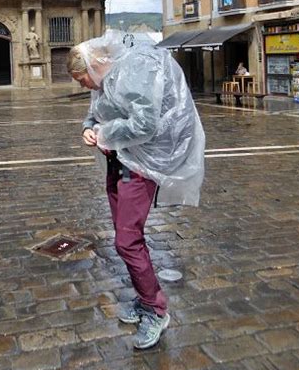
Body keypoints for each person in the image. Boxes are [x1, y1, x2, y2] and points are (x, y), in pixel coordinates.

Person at [67, 31, 205, 350]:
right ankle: (145, 300)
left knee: (127, 240)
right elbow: (96, 112)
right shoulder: (104, 81)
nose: (82, 86)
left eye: (81, 79)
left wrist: (104, 132)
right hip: (118, 161)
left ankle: (156, 310)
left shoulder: (133, 74)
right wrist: (89, 127)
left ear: (92, 66)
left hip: (139, 167)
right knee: (123, 235)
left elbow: (146, 125)